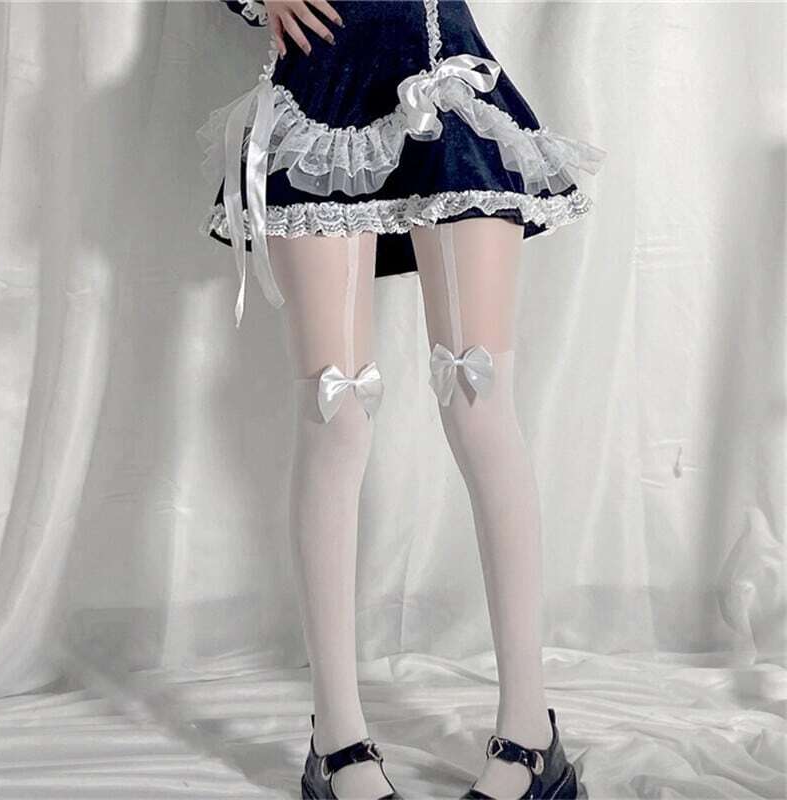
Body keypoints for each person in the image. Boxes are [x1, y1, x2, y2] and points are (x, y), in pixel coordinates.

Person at [196, 2, 606, 798]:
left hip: (446, 84)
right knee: (336, 414)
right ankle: (337, 741)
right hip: (319, 95)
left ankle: (530, 735)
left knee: (479, 401)